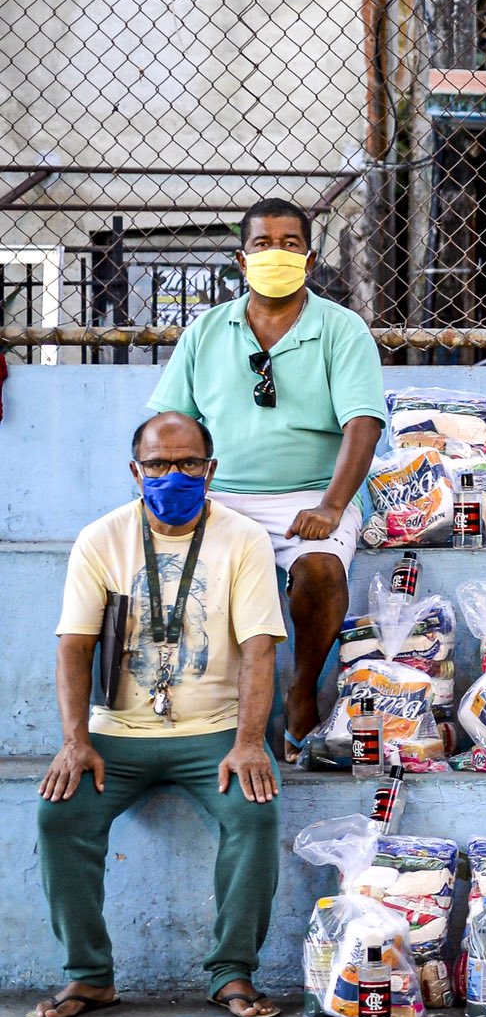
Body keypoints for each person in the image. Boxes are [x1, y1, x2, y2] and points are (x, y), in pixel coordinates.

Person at [29, 412, 289, 1017]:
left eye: (189, 464)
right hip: (118, 731)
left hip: (216, 731)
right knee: (59, 814)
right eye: (158, 465)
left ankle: (231, 973)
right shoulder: (101, 539)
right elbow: (74, 645)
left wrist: (250, 741)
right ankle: (89, 976)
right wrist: (75, 741)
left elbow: (259, 648)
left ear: (210, 469)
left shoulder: (243, 538)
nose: (173, 475)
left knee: (255, 813)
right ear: (134, 471)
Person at [147, 198, 385, 755]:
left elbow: (364, 424)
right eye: (262, 244)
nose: (275, 253)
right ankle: (189, 709)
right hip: (222, 498)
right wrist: (176, 488)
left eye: (289, 244)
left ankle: (302, 690)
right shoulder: (206, 331)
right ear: (240, 257)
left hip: (313, 495)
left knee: (321, 569)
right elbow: (173, 422)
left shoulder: (341, 329)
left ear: (309, 256)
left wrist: (331, 506)